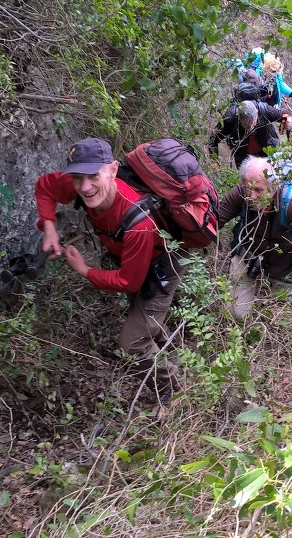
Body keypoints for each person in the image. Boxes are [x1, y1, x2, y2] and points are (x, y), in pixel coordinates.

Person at [34, 137, 184, 399]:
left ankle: (176, 393)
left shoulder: (138, 221)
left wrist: (84, 270)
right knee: (144, 316)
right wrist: (49, 227)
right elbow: (44, 187)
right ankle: (178, 354)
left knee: (132, 343)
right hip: (133, 261)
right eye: (77, 177)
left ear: (113, 170)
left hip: (164, 267)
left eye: (93, 175)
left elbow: (129, 282)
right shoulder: (81, 185)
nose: (85, 186)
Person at [217, 156, 292, 320]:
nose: (251, 196)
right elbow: (217, 219)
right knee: (235, 314)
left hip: (284, 266)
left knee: (284, 318)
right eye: (248, 188)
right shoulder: (241, 192)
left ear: (274, 186)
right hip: (248, 257)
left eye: (259, 190)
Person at [209, 100, 292, 168]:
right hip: (243, 157)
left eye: (252, 124)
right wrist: (214, 160)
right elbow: (213, 139)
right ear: (239, 118)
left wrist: (288, 119)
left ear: (257, 113)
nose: (250, 128)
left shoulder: (263, 110)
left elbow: (284, 113)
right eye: (246, 126)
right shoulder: (230, 118)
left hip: (266, 151)